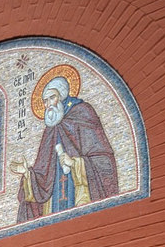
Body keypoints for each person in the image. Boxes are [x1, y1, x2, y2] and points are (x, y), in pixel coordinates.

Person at [11, 74, 118, 222]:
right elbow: (44, 172)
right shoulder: (50, 129)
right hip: (54, 198)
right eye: (45, 101)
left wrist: (75, 163)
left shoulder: (83, 113)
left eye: (52, 98)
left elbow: (103, 159)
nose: (48, 105)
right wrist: (28, 174)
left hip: (79, 192)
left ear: (62, 96)